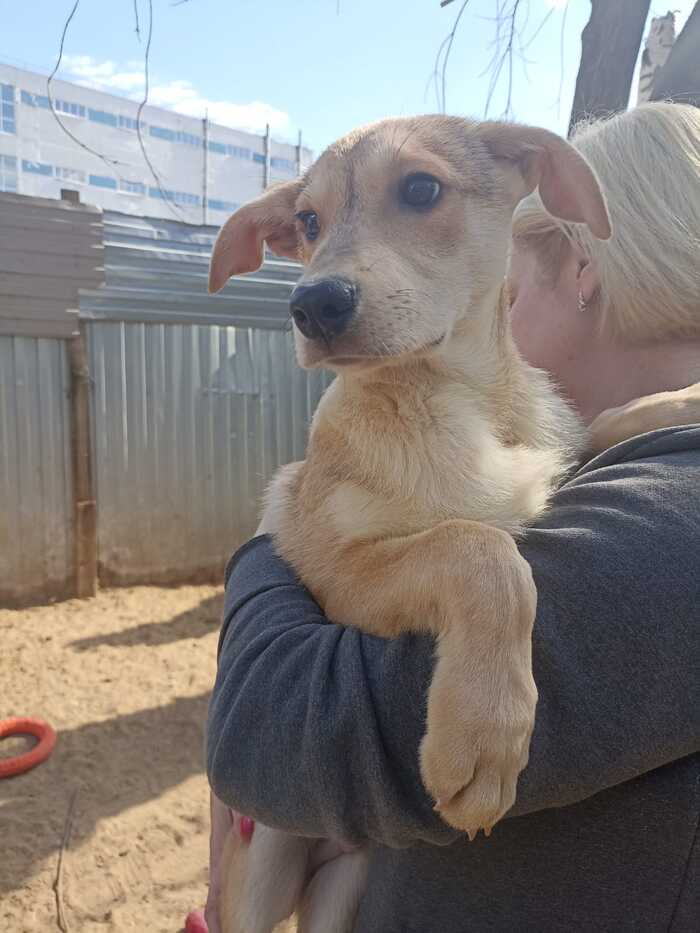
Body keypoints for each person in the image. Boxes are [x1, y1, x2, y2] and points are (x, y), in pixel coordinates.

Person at [200, 103, 700, 932]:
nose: (325, 272)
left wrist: (261, 555)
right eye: (311, 225)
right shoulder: (576, 444)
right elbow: (538, 481)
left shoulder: (673, 520)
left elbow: (263, 731)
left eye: (419, 190)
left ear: (584, 262)